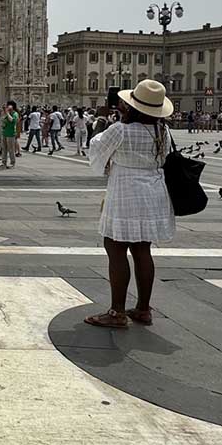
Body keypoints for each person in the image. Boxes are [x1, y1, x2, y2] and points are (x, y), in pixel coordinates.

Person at [85, 80, 174, 329]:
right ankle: (144, 309)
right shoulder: (162, 130)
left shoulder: (121, 130)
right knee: (142, 249)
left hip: (125, 192)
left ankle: (117, 313)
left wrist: (101, 125)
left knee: (115, 248)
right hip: (153, 193)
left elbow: (96, 147)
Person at [0, 101, 18, 168]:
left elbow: (12, 120)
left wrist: (7, 112)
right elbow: (3, 121)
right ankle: (4, 162)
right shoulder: (6, 113)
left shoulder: (15, 114)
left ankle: (12, 162)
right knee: (4, 149)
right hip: (5, 133)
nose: (7, 107)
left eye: (8, 105)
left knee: (11, 149)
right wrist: (4, 111)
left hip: (11, 134)